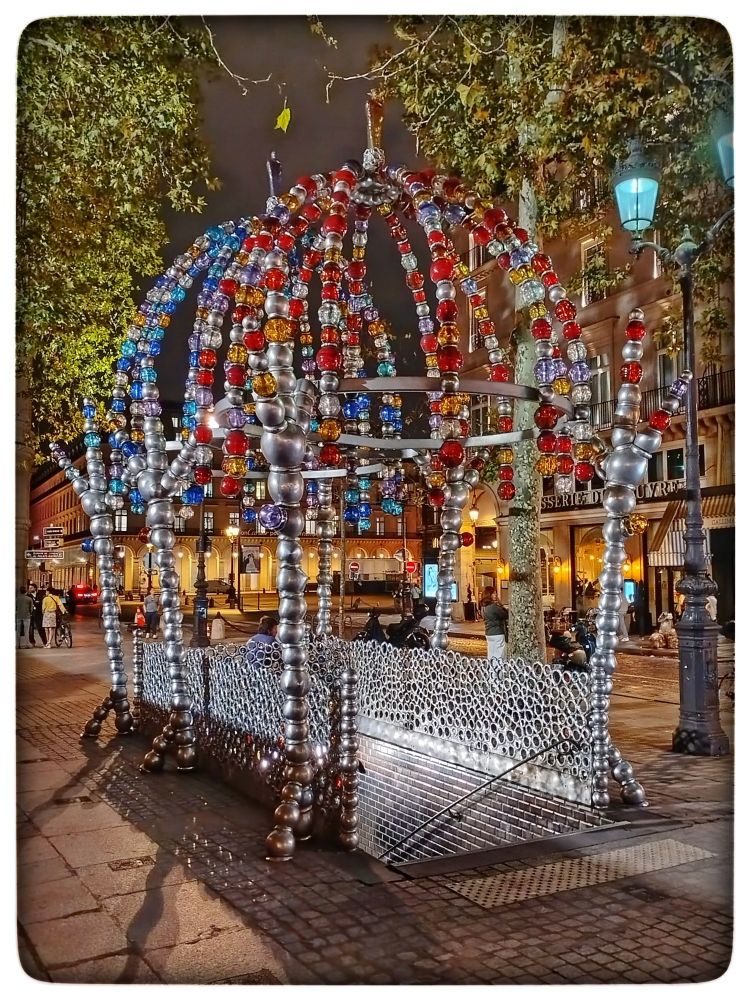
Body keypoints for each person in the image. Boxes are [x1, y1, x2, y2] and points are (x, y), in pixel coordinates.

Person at [481, 585, 508, 662]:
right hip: (497, 633)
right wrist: (501, 604)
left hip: (489, 633)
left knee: (491, 655)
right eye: (493, 593)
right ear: (489, 595)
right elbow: (505, 614)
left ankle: (492, 672)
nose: (495, 595)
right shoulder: (493, 607)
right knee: (500, 656)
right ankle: (498, 673)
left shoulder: (484, 607)